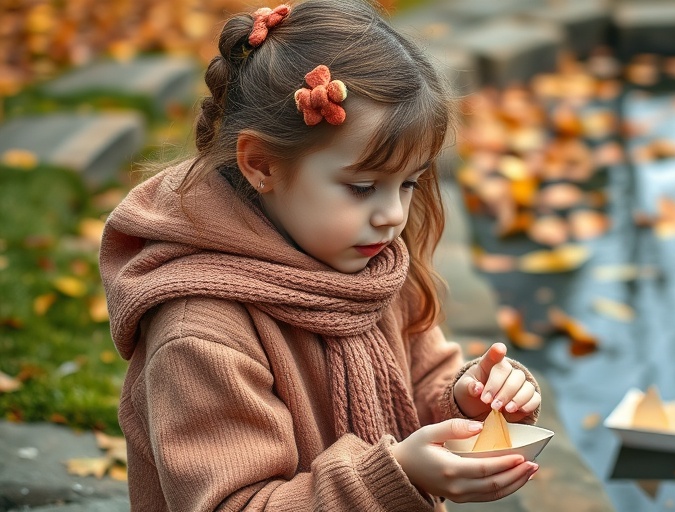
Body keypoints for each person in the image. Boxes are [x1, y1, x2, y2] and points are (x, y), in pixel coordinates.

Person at [99, 1, 543, 510]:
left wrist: (468, 398)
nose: (391, 216)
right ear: (260, 164)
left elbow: (421, 381)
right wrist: (389, 477)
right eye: (361, 187)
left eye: (409, 184)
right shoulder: (201, 332)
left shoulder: (372, 267)